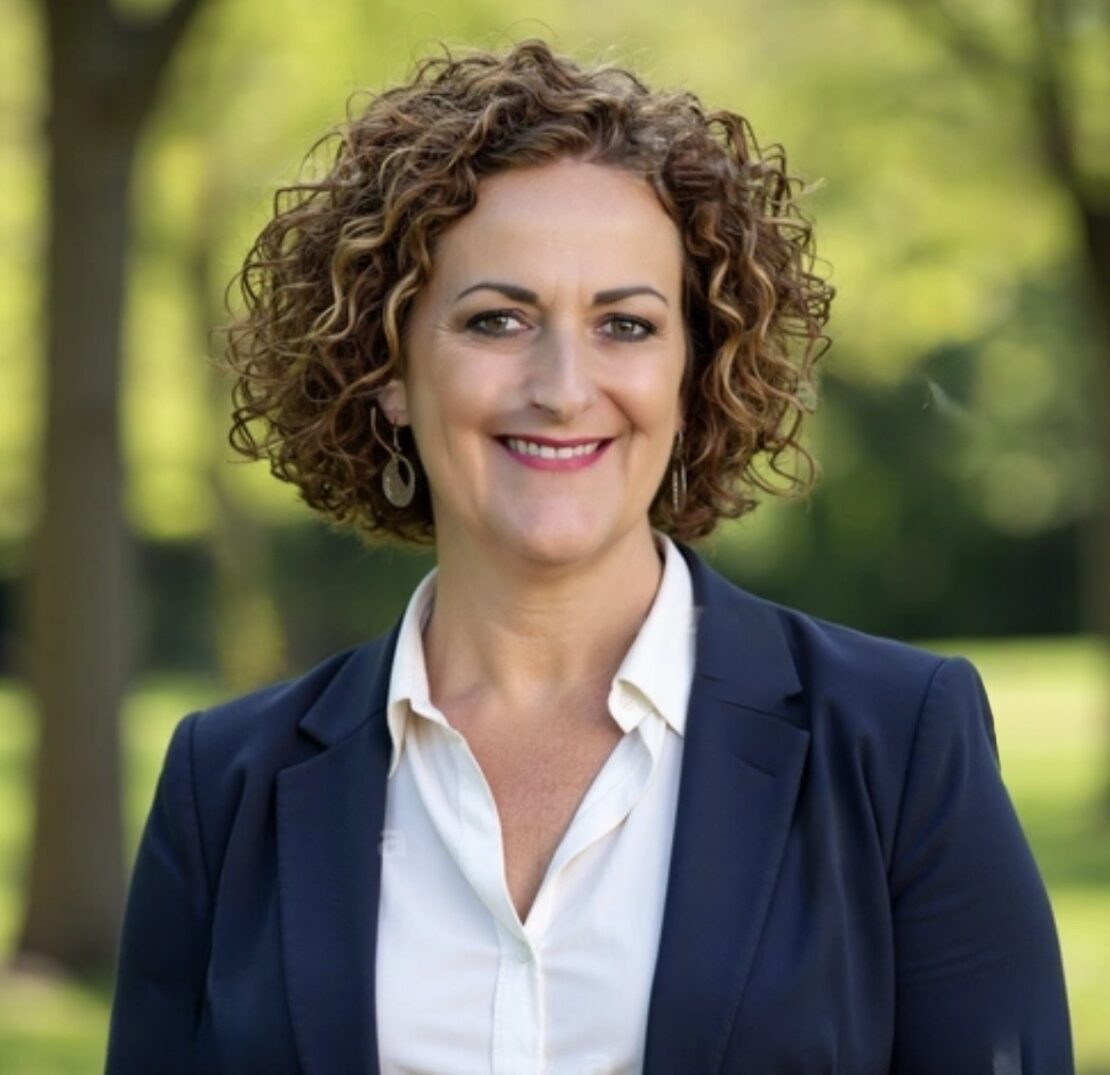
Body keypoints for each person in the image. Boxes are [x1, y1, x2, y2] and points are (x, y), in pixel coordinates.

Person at [105, 40, 1073, 1075]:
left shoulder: (898, 747)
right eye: (497, 320)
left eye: (624, 323)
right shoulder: (225, 786)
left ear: (694, 368)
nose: (565, 386)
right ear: (386, 367)